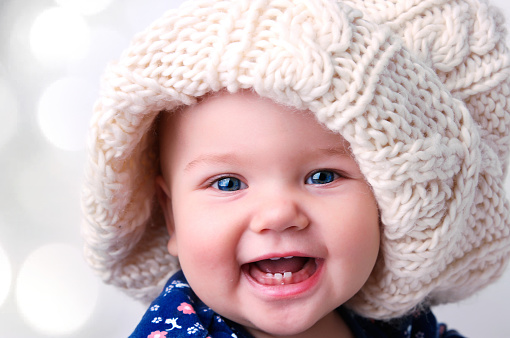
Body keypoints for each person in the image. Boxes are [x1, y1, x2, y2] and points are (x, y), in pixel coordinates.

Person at [81, 0, 510, 337]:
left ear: (386, 201)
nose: (278, 214)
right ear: (172, 215)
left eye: (322, 176)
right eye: (228, 183)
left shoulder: (396, 325)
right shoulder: (179, 331)